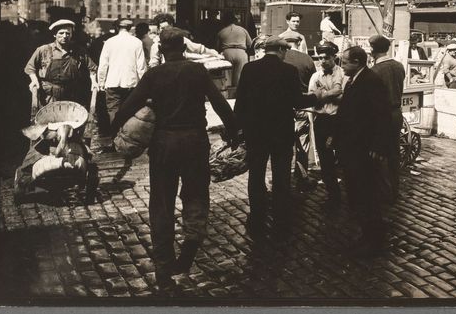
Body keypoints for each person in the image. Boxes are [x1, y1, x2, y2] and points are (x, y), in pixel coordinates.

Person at [111, 28, 239, 294]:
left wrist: (116, 127)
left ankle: (163, 271)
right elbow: (219, 103)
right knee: (196, 196)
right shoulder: (197, 71)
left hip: (164, 144)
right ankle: (189, 250)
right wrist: (234, 131)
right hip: (195, 141)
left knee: (162, 203)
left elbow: (127, 107)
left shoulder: (153, 75)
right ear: (184, 47)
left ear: (161, 49)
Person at [234, 37, 317, 234]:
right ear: (280, 50)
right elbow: (297, 101)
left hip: (256, 132)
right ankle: (281, 216)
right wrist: (316, 97)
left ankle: (256, 215)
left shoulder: (249, 69)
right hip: (281, 132)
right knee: (281, 176)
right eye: (285, 50)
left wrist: (238, 129)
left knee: (256, 174)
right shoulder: (288, 71)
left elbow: (240, 103)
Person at [335, 46, 392, 257]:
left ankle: (374, 239)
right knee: (357, 194)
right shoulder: (354, 80)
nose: (342, 66)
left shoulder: (371, 82)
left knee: (367, 195)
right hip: (351, 148)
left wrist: (378, 146)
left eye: (344, 63)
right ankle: (366, 234)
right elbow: (346, 113)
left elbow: (382, 116)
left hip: (364, 150)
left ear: (357, 62)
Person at [24, 19, 98, 112]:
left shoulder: (79, 51)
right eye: (61, 33)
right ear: (55, 34)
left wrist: (94, 81)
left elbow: (92, 68)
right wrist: (34, 80)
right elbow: (30, 67)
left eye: (68, 33)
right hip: (49, 97)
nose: (65, 36)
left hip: (72, 97)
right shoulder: (43, 50)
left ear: (71, 35)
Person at [369, 34, 406, 203]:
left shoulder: (374, 71)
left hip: (380, 116)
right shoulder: (399, 66)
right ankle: (395, 190)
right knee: (393, 153)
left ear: (373, 51)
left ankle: (382, 192)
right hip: (396, 113)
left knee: (378, 153)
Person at [307, 42, 344, 210]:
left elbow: (343, 97)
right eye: (320, 58)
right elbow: (311, 98)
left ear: (334, 57)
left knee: (344, 157)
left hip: (339, 120)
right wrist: (326, 97)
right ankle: (333, 195)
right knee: (325, 160)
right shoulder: (315, 77)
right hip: (321, 120)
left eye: (326, 58)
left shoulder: (342, 74)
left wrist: (323, 95)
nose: (322, 61)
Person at [97, 18, 147, 140]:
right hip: (131, 82)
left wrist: (101, 82)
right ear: (130, 28)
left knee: (113, 111)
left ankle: (116, 138)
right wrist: (144, 84)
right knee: (129, 111)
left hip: (112, 82)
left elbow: (103, 64)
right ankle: (128, 138)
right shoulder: (137, 42)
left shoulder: (109, 42)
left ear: (117, 28)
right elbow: (141, 66)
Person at [282, 37, 318, 192]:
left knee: (285, 144)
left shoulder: (282, 59)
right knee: (302, 142)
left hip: (285, 106)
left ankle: (284, 177)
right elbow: (315, 80)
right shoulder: (307, 59)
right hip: (303, 105)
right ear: (299, 43)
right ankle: (302, 176)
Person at [148, 14, 220, 67]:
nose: (165, 31)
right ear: (158, 29)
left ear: (172, 26)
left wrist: (214, 53)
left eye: (167, 28)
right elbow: (153, 64)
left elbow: (198, 48)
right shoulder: (156, 44)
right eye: (162, 28)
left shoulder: (181, 39)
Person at [216, 14, 253, 88]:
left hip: (227, 52)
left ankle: (228, 94)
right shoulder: (243, 30)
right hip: (241, 52)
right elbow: (250, 44)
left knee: (227, 76)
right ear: (235, 21)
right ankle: (237, 94)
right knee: (239, 77)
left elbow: (217, 47)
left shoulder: (221, 32)